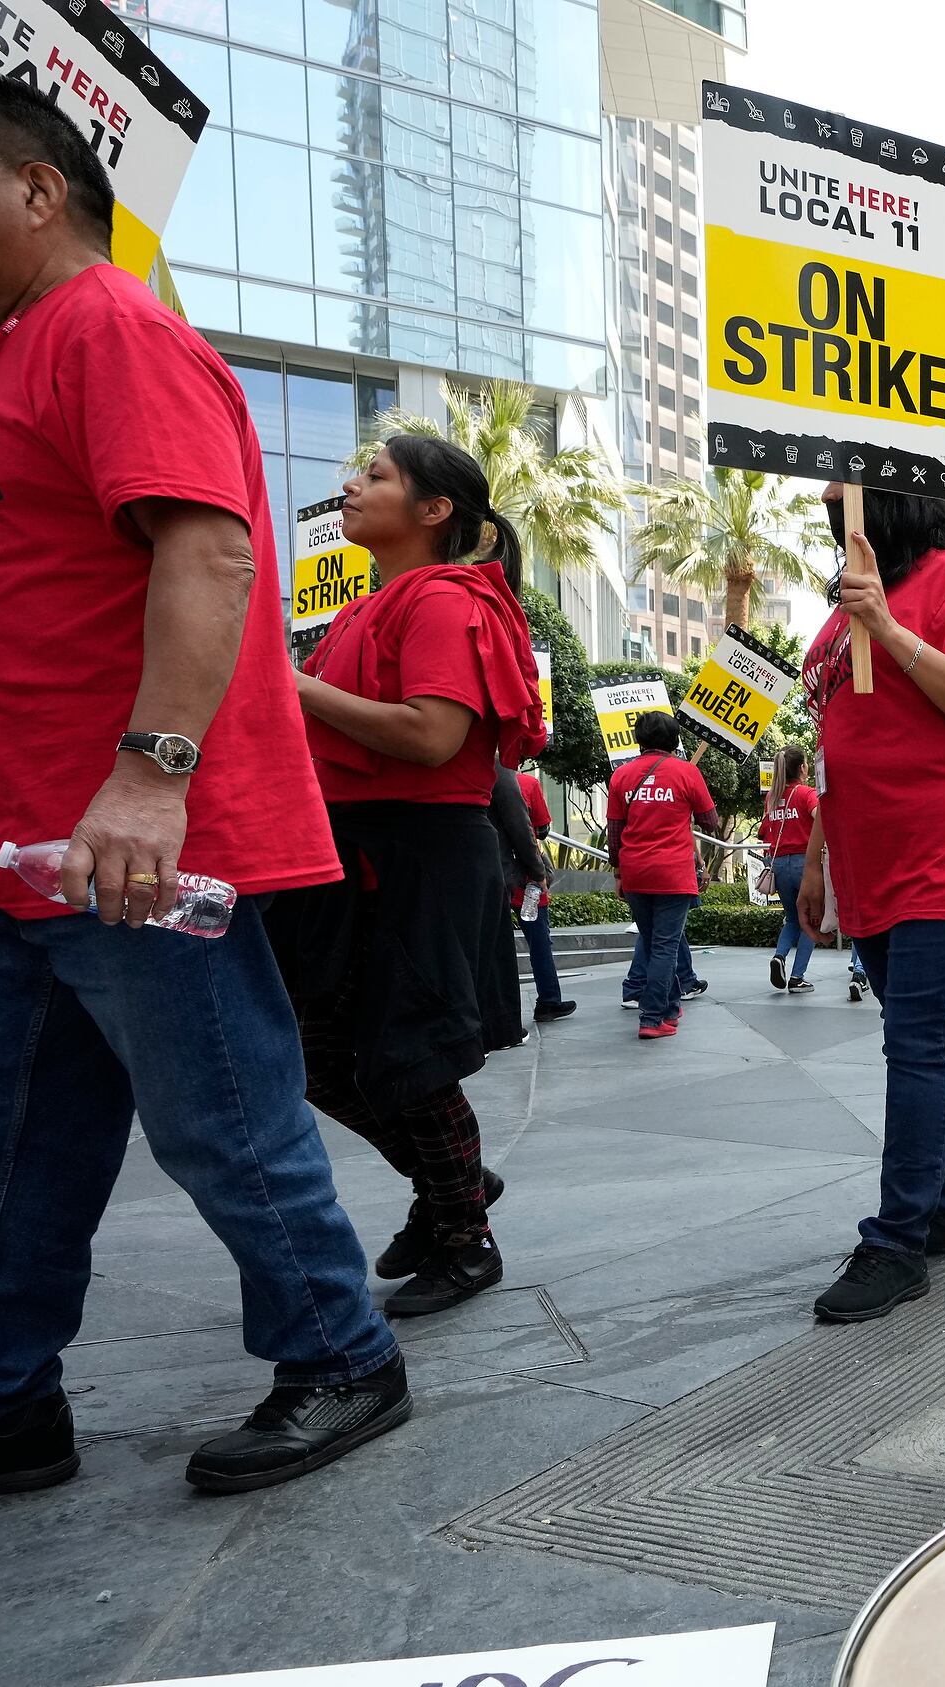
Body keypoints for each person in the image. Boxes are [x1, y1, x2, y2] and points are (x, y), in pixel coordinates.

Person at [0, 64, 403, 1511]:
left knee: (223, 1117)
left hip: (128, 841)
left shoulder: (111, 327)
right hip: (14, 850)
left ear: (41, 187)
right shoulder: (7, 366)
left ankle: (342, 1350)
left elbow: (210, 551)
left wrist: (149, 776)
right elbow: (54, 566)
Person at [276, 433, 546, 1318]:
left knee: (412, 1059)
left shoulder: (442, 599)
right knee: (319, 1053)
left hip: (417, 851)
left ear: (435, 511)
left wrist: (295, 687)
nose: (350, 486)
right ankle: (454, 1184)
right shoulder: (370, 604)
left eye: (377, 476)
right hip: (355, 849)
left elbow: (432, 737)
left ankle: (464, 1238)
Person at [798, 483, 945, 1322]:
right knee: (925, 1036)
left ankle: (896, 1241)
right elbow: (836, 745)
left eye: (843, 488)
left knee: (916, 1037)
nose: (828, 499)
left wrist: (888, 626)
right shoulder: (841, 599)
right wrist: (817, 862)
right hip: (872, 856)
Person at [608, 711, 716, 1039]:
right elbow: (710, 820)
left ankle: (668, 1008)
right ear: (673, 739)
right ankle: (652, 1017)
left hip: (636, 872)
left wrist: (618, 873)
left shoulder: (621, 776)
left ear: (639, 739)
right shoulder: (687, 773)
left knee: (655, 942)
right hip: (673, 873)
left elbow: (614, 831)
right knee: (666, 946)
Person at [511, 762, 573, 1020]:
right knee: (539, 943)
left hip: (486, 876)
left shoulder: (469, 781)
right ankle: (548, 1000)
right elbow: (543, 828)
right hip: (526, 876)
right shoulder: (526, 783)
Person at [761, 745, 819, 992]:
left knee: (792, 919)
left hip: (779, 866)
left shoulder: (772, 798)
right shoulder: (807, 793)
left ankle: (779, 956)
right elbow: (821, 818)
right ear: (802, 767)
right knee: (811, 922)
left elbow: (764, 831)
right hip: (804, 864)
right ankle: (797, 977)